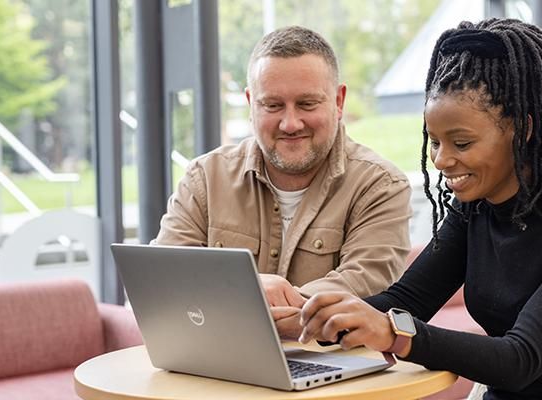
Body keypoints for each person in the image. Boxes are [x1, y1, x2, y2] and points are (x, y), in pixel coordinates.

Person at [297, 18, 542, 400]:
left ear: (524, 129)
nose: (441, 160)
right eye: (434, 142)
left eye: (461, 143)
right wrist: (312, 312)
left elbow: (520, 359)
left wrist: (395, 333)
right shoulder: (474, 209)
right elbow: (406, 301)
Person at [153, 26, 412, 337]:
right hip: (218, 370)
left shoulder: (381, 186)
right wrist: (254, 289)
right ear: (251, 104)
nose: (290, 123)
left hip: (333, 375)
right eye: (273, 106)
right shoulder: (204, 179)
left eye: (307, 104)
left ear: (338, 101)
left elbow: (362, 289)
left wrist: (232, 298)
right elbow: (162, 280)